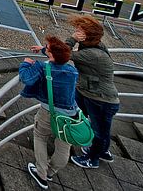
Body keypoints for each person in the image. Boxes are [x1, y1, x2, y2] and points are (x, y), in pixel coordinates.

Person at [21, 36, 79, 189]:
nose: (45, 48)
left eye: (47, 48)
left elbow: (26, 78)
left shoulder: (43, 67)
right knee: (63, 146)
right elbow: (57, 55)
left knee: (40, 137)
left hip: (49, 112)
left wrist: (25, 64)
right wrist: (42, 50)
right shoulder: (72, 71)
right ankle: (51, 171)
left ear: (51, 55)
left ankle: (41, 173)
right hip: (71, 114)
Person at [66, 16, 119, 169]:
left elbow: (60, 53)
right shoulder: (95, 47)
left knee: (99, 132)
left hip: (101, 100)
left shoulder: (93, 54)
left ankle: (92, 159)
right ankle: (102, 151)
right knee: (101, 129)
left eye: (79, 31)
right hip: (92, 94)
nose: (76, 32)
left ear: (87, 35)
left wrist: (72, 39)